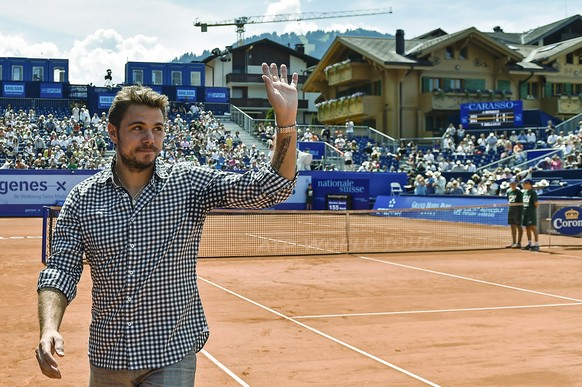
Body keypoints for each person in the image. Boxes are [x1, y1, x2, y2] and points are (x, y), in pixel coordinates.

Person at [35, 63, 299, 385]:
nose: (150, 139)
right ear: (112, 132)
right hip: (108, 356)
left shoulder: (188, 183)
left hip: (170, 354)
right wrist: (49, 327)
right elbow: (60, 271)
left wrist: (286, 122)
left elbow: (271, 188)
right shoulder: (83, 199)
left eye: (158, 129)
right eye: (138, 128)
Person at [521, 179, 540, 252]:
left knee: (533, 227)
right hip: (525, 212)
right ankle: (529, 243)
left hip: (531, 212)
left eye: (525, 183)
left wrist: (531, 209)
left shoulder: (533, 192)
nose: (524, 185)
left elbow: (536, 203)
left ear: (529, 184)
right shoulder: (525, 192)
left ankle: (536, 244)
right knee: (527, 227)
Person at [505, 179, 523, 248]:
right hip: (511, 210)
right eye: (511, 184)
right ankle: (514, 242)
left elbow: (522, 202)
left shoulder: (519, 192)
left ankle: (519, 243)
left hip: (518, 211)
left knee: (518, 225)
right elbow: (509, 201)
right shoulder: (509, 192)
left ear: (516, 184)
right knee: (512, 226)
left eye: (514, 184)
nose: (513, 185)